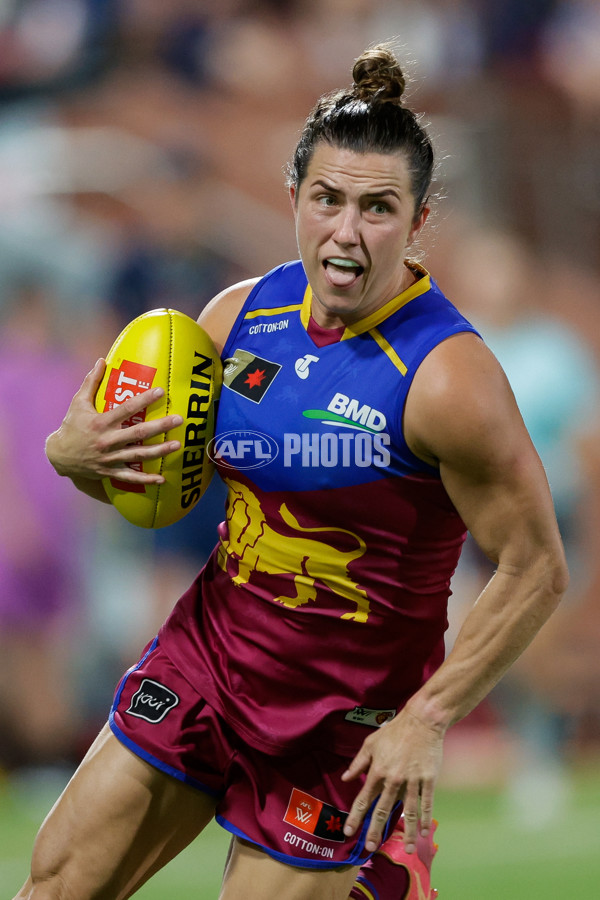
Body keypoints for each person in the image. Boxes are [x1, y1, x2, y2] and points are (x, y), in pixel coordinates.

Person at [14, 45, 568, 900]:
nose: (347, 232)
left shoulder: (448, 378)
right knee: (51, 888)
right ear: (296, 200)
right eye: (328, 200)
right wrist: (75, 457)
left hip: (339, 729)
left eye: (378, 208)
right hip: (204, 663)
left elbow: (536, 566)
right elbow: (160, 493)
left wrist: (428, 718)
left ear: (418, 221)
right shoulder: (235, 319)